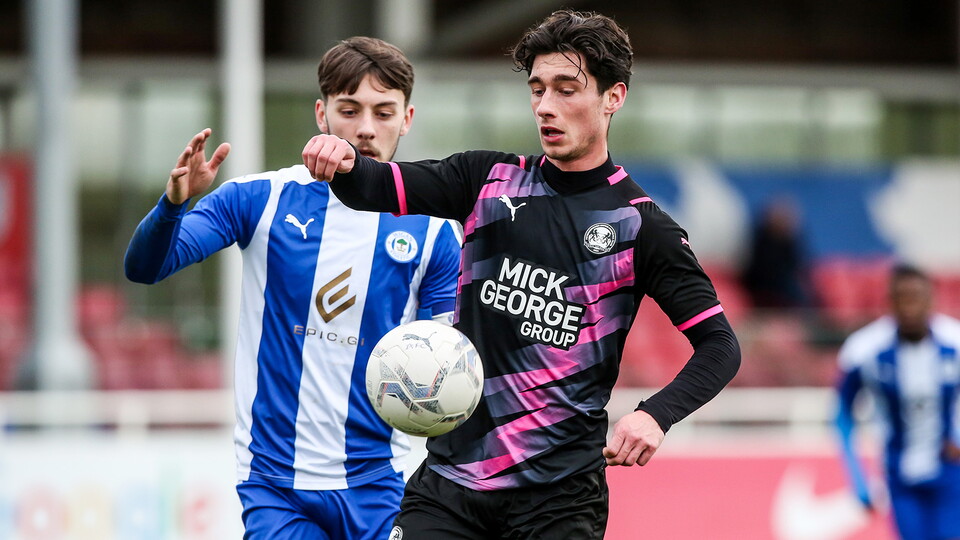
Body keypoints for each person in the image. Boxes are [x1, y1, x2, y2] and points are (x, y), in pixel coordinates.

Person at [302, 10, 741, 538]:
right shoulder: (487, 179)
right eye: (537, 90)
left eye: (566, 89)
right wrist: (340, 156)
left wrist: (656, 414)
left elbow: (720, 346)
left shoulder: (642, 227)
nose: (546, 107)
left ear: (613, 97)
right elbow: (371, 185)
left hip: (558, 499)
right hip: (449, 487)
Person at [124, 37, 462, 540]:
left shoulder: (434, 231)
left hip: (378, 485)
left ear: (406, 118)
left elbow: (448, 360)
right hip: (274, 485)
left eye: (383, 112)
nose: (366, 128)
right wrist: (173, 205)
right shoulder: (258, 198)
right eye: (349, 110)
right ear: (322, 114)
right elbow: (146, 269)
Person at [835, 264, 960, 540]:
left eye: (916, 297)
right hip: (900, 477)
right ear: (890, 302)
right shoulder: (865, 350)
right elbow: (842, 413)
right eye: (903, 298)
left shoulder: (954, 342)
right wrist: (857, 479)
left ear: (931, 300)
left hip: (951, 475)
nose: (910, 307)